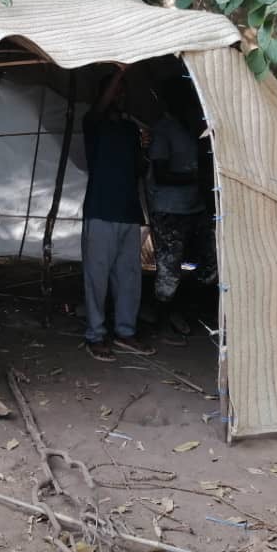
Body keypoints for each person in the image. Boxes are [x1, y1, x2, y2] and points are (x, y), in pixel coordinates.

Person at [81, 67, 155, 361]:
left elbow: (138, 170)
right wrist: (120, 70)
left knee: (129, 278)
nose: (122, 95)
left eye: (124, 91)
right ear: (105, 95)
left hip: (127, 211)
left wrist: (145, 151)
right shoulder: (94, 122)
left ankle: (125, 332)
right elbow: (104, 102)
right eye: (117, 90)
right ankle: (95, 335)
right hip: (100, 211)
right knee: (96, 278)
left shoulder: (130, 130)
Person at [147, 78, 217, 344]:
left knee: (209, 262)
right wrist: (196, 179)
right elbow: (162, 174)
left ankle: (180, 309)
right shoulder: (164, 129)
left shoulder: (193, 128)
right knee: (169, 268)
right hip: (170, 209)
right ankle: (163, 321)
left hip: (195, 206)